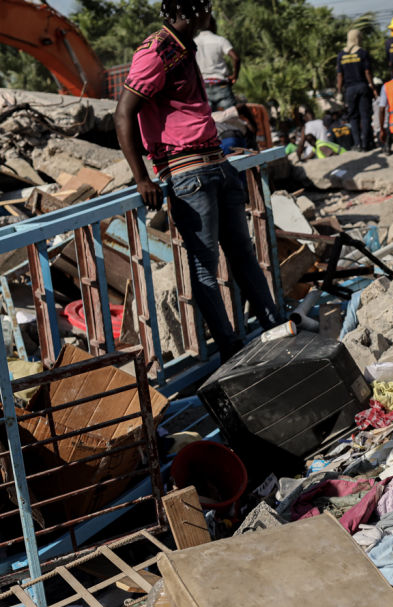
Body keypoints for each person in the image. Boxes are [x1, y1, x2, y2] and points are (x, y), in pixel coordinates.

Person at [115, 0, 281, 361]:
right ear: (192, 12)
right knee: (205, 268)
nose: (210, 15)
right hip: (187, 171)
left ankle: (276, 327)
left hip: (214, 165)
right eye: (205, 8)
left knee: (242, 255)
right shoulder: (158, 49)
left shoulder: (183, 47)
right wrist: (141, 178)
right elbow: (124, 112)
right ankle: (231, 351)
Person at [336, 29, 377, 152]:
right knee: (365, 116)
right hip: (362, 86)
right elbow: (367, 72)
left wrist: (339, 91)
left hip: (349, 90)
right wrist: (372, 87)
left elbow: (339, 75)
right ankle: (365, 143)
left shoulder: (341, 55)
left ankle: (357, 143)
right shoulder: (362, 53)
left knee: (353, 117)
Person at [195, 16, 239, 111]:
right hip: (221, 85)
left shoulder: (194, 43)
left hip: (203, 88)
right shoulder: (220, 40)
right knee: (231, 119)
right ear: (210, 25)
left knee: (208, 121)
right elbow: (236, 58)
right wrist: (234, 76)